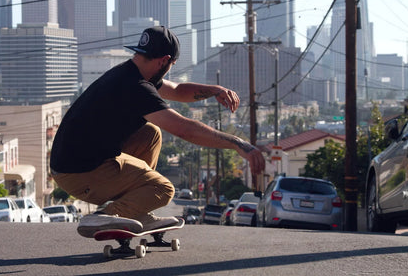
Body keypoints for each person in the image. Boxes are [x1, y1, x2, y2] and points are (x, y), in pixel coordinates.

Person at [50, 26, 265, 237]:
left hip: (79, 161)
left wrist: (214, 91)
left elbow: (178, 91)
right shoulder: (136, 87)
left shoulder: (131, 73)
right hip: (79, 172)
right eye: (171, 64)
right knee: (162, 189)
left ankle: (136, 209)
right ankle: (107, 215)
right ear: (165, 61)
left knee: (150, 134)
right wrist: (238, 143)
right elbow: (185, 129)